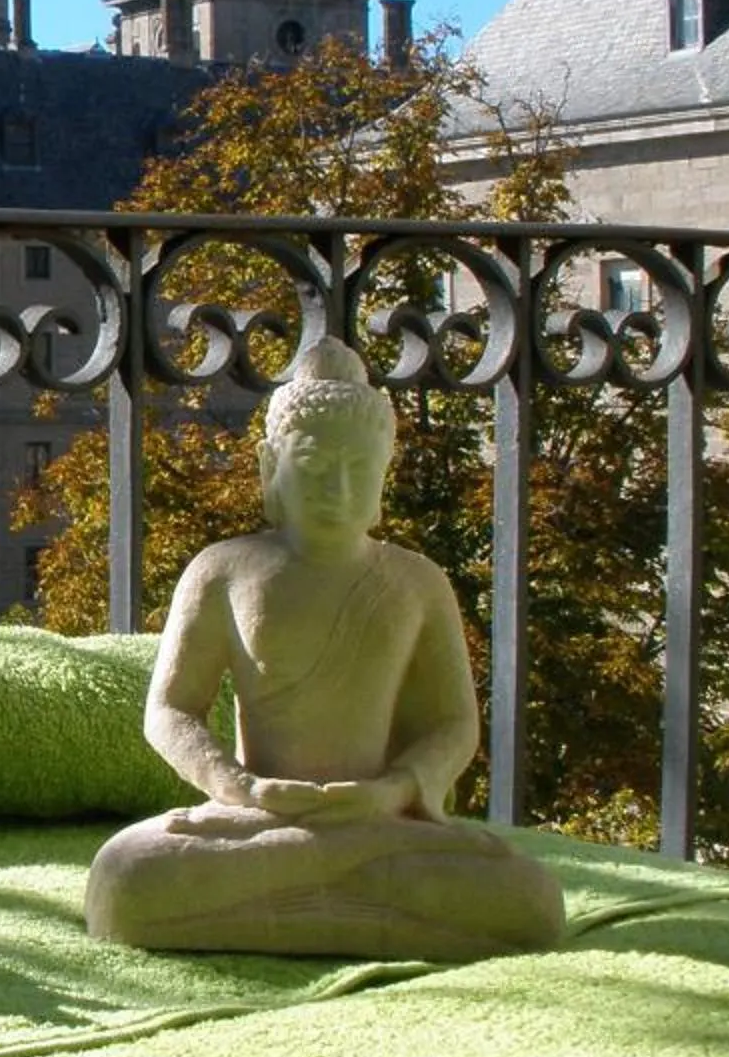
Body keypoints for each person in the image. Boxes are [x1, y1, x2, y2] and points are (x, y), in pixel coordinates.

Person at [84, 339, 566, 960]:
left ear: (385, 473)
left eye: (359, 470)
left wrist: (393, 792)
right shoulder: (224, 571)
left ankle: (295, 900)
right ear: (268, 468)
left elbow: (452, 725)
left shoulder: (416, 582)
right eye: (314, 467)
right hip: (259, 819)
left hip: (378, 819)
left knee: (530, 901)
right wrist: (239, 786)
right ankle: (360, 904)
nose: (338, 487)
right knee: (127, 880)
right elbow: (170, 712)